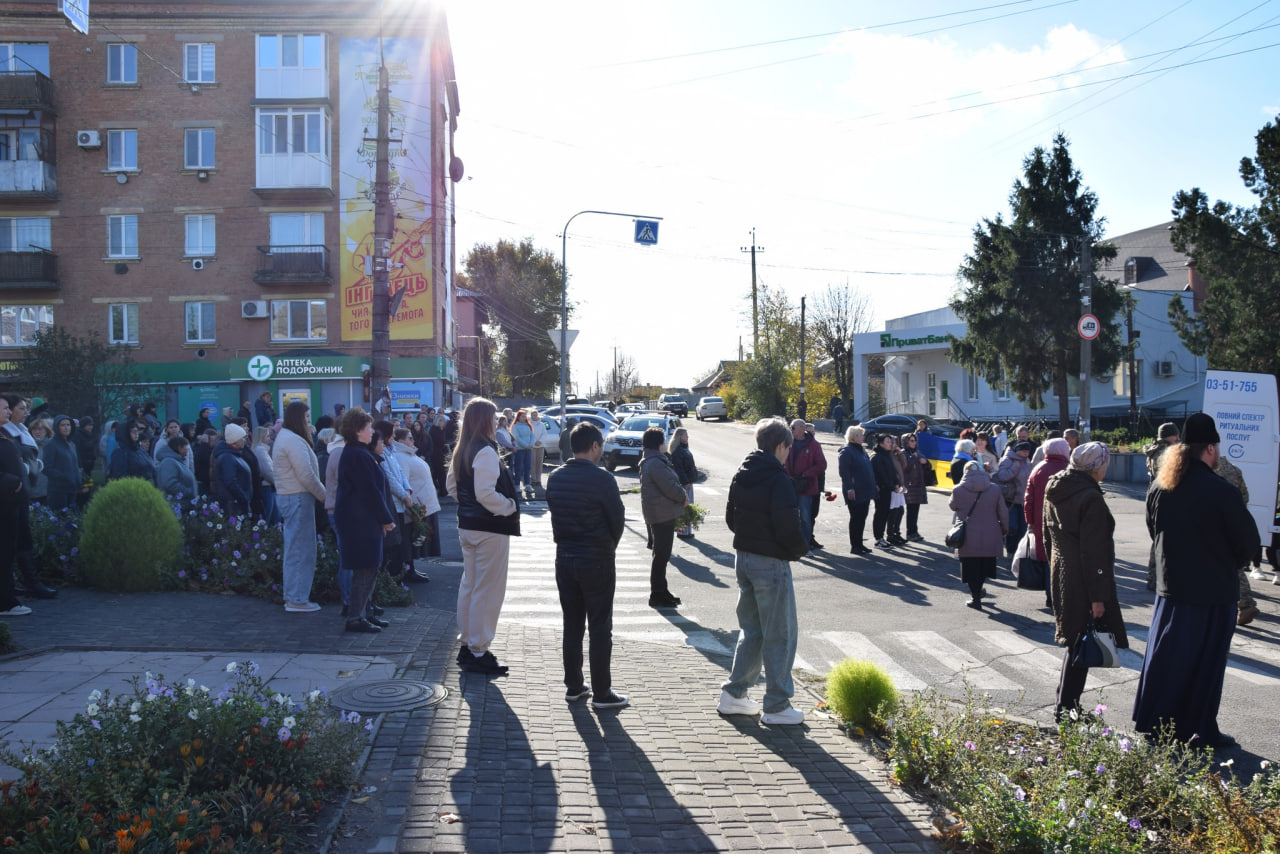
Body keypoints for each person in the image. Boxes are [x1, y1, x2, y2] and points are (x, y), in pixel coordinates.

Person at [1133, 413, 1258, 748]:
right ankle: (1199, 730)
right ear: (1211, 449)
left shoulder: (1161, 486)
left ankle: (1156, 724)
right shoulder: (1221, 490)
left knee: (1167, 659)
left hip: (1171, 590)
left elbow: (1152, 529)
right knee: (1205, 665)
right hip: (1212, 594)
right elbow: (1247, 544)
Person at [718, 417, 810, 725]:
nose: (788, 453)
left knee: (753, 631)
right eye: (788, 448)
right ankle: (777, 705)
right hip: (770, 562)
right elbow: (787, 526)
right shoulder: (778, 478)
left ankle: (734, 694)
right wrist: (799, 549)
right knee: (780, 634)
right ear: (781, 446)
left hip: (743, 558)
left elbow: (731, 518)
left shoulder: (742, 473)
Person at [546, 422, 629, 710]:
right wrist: (608, 547)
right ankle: (602, 692)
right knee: (599, 626)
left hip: (565, 557)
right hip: (596, 559)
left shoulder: (555, 478)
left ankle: (574, 686)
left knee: (572, 624)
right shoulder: (603, 480)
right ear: (594, 446)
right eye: (601, 445)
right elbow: (617, 521)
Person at [1042, 442, 1127, 720]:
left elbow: (1047, 537)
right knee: (1083, 643)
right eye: (1105, 462)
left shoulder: (1055, 486)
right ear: (1095, 466)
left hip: (1062, 571)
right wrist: (1098, 597)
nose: (1107, 467)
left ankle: (1066, 706)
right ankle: (1066, 710)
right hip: (1083, 578)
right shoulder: (1090, 497)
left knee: (1076, 642)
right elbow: (1095, 553)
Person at [447, 397, 521, 675]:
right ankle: (478, 649)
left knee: (471, 585)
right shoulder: (486, 451)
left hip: (468, 524)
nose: (496, 422)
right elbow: (486, 494)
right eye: (493, 418)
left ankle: (468, 643)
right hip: (490, 528)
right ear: (484, 420)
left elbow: (451, 486)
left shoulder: (462, 448)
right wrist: (509, 506)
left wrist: (469, 506)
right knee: (487, 590)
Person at [335, 408, 395, 633]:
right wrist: (385, 519)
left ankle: (365, 613)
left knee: (370, 567)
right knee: (365, 567)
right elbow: (369, 492)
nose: (372, 431)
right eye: (369, 427)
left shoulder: (358, 452)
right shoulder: (357, 455)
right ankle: (355, 618)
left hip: (361, 519)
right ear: (358, 430)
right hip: (358, 521)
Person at [274, 402, 329, 613]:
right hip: (297, 497)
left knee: (295, 548)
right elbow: (306, 475)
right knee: (301, 550)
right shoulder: (293, 440)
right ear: (297, 417)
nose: (309, 421)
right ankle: (297, 599)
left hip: (292, 497)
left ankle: (294, 597)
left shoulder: (287, 437)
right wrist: (326, 497)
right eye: (306, 417)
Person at [949, 460, 1009, 610]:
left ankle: (975, 597)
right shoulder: (994, 489)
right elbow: (1003, 512)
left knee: (970, 567)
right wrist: (1004, 529)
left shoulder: (958, 489)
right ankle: (979, 590)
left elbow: (952, 506)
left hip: (967, 535)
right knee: (984, 566)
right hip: (990, 533)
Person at [640, 426, 687, 607]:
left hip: (659, 513)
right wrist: (683, 496)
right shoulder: (655, 463)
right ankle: (657, 594)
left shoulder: (652, 460)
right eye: (664, 441)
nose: (666, 444)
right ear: (658, 444)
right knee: (661, 555)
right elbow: (668, 486)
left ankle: (661, 590)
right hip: (661, 515)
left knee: (661, 554)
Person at [1213, 454, 1261, 627]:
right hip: (1233, 523)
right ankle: (1246, 604)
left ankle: (1238, 606)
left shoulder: (1203, 472)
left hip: (1212, 526)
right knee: (1235, 565)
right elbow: (1244, 497)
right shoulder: (1234, 470)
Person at [1024, 437, 1071, 608]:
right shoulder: (1070, 469)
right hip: (1066, 522)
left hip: (1040, 521)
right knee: (1064, 557)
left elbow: (1028, 499)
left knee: (1046, 558)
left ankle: (1050, 595)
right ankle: (1062, 594)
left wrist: (1029, 521)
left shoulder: (1038, 469)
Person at [0, 395, 35, 615]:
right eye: (4, 408)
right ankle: (6, 602)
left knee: (9, 551)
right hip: (5, 500)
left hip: (12, 503)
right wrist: (11, 481)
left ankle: (8, 596)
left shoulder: (5, 435)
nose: (7, 412)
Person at [392, 427, 440, 570]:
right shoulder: (401, 457)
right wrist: (411, 507)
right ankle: (408, 569)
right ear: (401, 441)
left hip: (423, 504)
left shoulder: (409, 454)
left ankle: (411, 568)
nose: (413, 440)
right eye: (410, 438)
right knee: (412, 539)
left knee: (418, 539)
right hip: (416, 506)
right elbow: (404, 483)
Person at [785, 418, 827, 550]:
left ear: (802, 428)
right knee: (789, 516)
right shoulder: (787, 443)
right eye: (791, 427)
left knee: (805, 517)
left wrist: (805, 474)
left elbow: (822, 464)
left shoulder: (813, 445)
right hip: (789, 485)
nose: (791, 429)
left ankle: (805, 545)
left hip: (806, 486)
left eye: (793, 427)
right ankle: (792, 543)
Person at [838, 425, 875, 554]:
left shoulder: (861, 450)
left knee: (862, 518)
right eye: (861, 435)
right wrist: (849, 488)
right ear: (854, 436)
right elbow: (844, 472)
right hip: (855, 490)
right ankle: (855, 546)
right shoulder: (847, 451)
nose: (863, 437)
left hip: (865, 489)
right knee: (856, 518)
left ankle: (859, 544)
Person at [995, 440, 1034, 556]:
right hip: (1010, 499)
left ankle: (1019, 551)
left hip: (1024, 500)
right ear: (1017, 451)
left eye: (1027, 451)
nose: (1026, 454)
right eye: (1023, 451)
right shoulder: (1008, 460)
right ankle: (1010, 550)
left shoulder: (1027, 461)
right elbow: (1002, 476)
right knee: (1012, 527)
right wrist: (1015, 466)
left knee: (1023, 528)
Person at [40, 414, 81, 512]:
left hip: (72, 489)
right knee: (61, 520)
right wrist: (64, 477)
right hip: (58, 490)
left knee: (72, 519)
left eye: (68, 425)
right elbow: (46, 468)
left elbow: (74, 465)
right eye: (62, 425)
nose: (66, 427)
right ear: (56, 427)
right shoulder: (51, 445)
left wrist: (78, 478)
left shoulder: (71, 444)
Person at [213, 423, 252, 517]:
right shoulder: (228, 457)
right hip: (234, 506)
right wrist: (243, 498)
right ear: (235, 440)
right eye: (242, 438)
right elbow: (230, 482)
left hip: (238, 503)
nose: (245, 440)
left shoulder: (234, 455)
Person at [870, 434, 900, 549]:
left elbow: (892, 472)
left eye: (890, 441)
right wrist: (892, 486)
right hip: (881, 490)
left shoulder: (887, 455)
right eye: (887, 441)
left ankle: (881, 538)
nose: (890, 443)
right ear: (881, 443)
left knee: (885, 513)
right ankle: (878, 539)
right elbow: (881, 475)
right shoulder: (876, 456)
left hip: (888, 489)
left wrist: (897, 483)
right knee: (880, 513)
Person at [899, 432, 929, 542]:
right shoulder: (903, 453)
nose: (914, 442)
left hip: (918, 485)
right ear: (906, 442)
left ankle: (914, 531)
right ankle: (910, 532)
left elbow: (927, 466)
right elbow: (905, 468)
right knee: (910, 510)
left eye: (915, 440)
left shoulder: (917, 452)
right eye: (911, 440)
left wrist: (925, 462)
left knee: (915, 510)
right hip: (909, 485)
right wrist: (914, 458)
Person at [669, 427, 698, 538]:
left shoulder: (684, 448)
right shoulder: (677, 452)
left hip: (688, 481)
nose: (687, 437)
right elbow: (679, 469)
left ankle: (687, 531)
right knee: (683, 507)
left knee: (688, 507)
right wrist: (686, 482)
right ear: (679, 436)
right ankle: (682, 532)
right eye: (685, 435)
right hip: (684, 483)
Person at [251, 426, 280, 526]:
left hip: (267, 486)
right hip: (266, 487)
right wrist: (278, 483)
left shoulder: (260, 450)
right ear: (261, 437)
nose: (269, 438)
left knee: (272, 515)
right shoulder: (260, 451)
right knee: (270, 516)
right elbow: (267, 471)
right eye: (267, 436)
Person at [156, 435, 197, 508]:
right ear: (179, 448)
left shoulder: (177, 461)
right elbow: (170, 484)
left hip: (183, 505)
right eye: (186, 446)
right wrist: (188, 491)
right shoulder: (169, 462)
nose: (187, 449)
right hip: (176, 506)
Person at [511, 409, 535, 499]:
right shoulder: (515, 426)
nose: (524, 418)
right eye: (522, 416)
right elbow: (516, 438)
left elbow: (532, 436)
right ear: (518, 417)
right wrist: (526, 445)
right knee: (518, 468)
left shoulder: (528, 426)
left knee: (528, 467)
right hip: (520, 450)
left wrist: (531, 444)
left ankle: (527, 485)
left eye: (525, 416)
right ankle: (517, 485)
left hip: (528, 449)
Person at [529, 407, 548, 495]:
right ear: (531, 415)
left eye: (535, 414)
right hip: (532, 446)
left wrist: (540, 441)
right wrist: (534, 442)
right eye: (533, 415)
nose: (534, 416)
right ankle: (533, 479)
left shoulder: (542, 424)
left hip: (540, 446)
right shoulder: (529, 424)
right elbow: (529, 435)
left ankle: (538, 479)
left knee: (539, 463)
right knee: (532, 463)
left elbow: (544, 434)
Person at [74, 416, 97, 482]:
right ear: (83, 425)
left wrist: (93, 458)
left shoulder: (89, 434)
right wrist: (80, 464)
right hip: (82, 464)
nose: (91, 427)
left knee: (88, 482)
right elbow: (77, 451)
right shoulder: (78, 435)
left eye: (92, 425)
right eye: (89, 425)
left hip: (89, 464)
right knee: (83, 483)